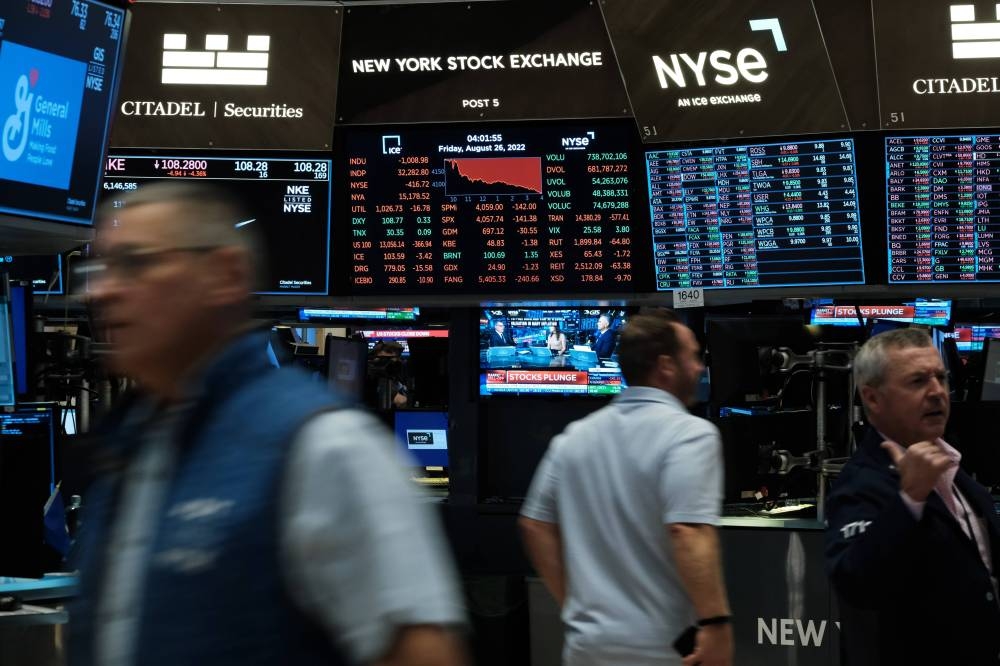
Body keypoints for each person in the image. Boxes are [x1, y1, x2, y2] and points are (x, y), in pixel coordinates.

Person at [70, 182, 467, 666]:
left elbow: (422, 654)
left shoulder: (326, 445)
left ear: (225, 274)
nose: (100, 291)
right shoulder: (128, 447)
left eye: (135, 263)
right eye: (98, 269)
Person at [519, 309, 732, 666]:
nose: (699, 368)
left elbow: (534, 525)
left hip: (587, 648)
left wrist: (575, 606)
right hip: (661, 650)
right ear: (666, 365)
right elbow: (687, 532)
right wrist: (716, 624)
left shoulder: (573, 438)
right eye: (693, 356)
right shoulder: (690, 435)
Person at [825, 328, 1000, 666]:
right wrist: (910, 499)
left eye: (941, 378)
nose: (937, 392)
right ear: (873, 398)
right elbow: (855, 583)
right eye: (917, 381)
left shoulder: (957, 472)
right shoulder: (860, 483)